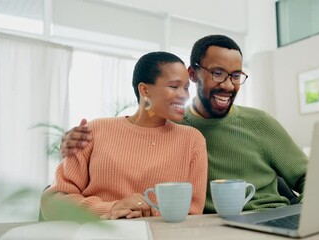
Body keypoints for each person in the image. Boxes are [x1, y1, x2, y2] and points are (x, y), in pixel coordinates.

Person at [60, 35, 308, 214]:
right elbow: (134, 134)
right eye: (218, 73)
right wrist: (78, 141)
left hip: (269, 216)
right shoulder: (176, 126)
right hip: (212, 226)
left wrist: (306, 216)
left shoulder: (258, 123)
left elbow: (309, 177)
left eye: (235, 76)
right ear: (194, 73)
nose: (229, 85)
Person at [41, 51, 208, 220]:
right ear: (145, 90)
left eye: (186, 88)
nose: (184, 95)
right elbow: (54, 202)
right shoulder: (95, 131)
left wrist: (142, 215)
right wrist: (111, 208)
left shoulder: (192, 140)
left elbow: (193, 212)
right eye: (174, 86)